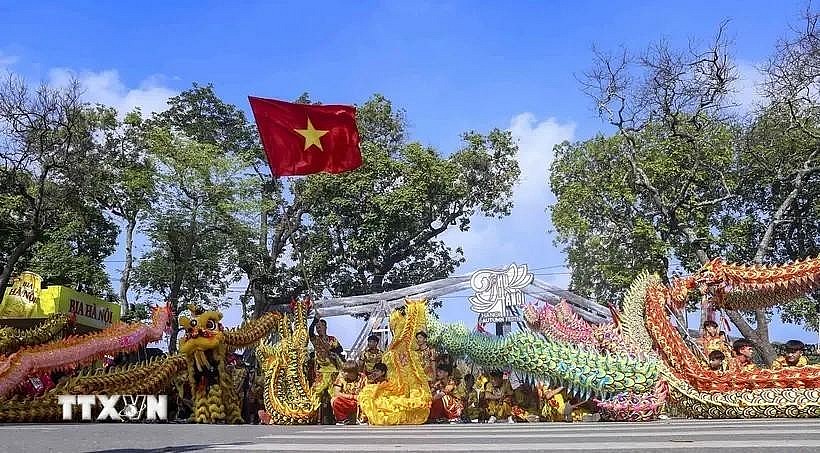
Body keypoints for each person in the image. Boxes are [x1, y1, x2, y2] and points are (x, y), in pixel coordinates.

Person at [310, 315, 344, 403]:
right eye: (317, 327)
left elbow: (340, 349)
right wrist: (314, 321)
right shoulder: (316, 339)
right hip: (321, 371)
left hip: (333, 370)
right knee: (315, 392)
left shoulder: (332, 339)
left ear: (325, 327)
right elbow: (310, 332)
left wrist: (332, 350)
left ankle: (336, 413)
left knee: (335, 394)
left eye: (320, 326)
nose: (318, 329)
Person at [331, 360, 367, 425]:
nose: (346, 374)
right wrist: (352, 397)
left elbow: (367, 391)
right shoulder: (341, 376)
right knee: (334, 400)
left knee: (367, 399)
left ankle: (362, 419)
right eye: (345, 371)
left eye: (349, 372)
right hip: (346, 401)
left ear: (355, 372)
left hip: (359, 401)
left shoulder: (363, 377)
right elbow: (336, 393)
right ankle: (342, 420)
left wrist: (360, 397)